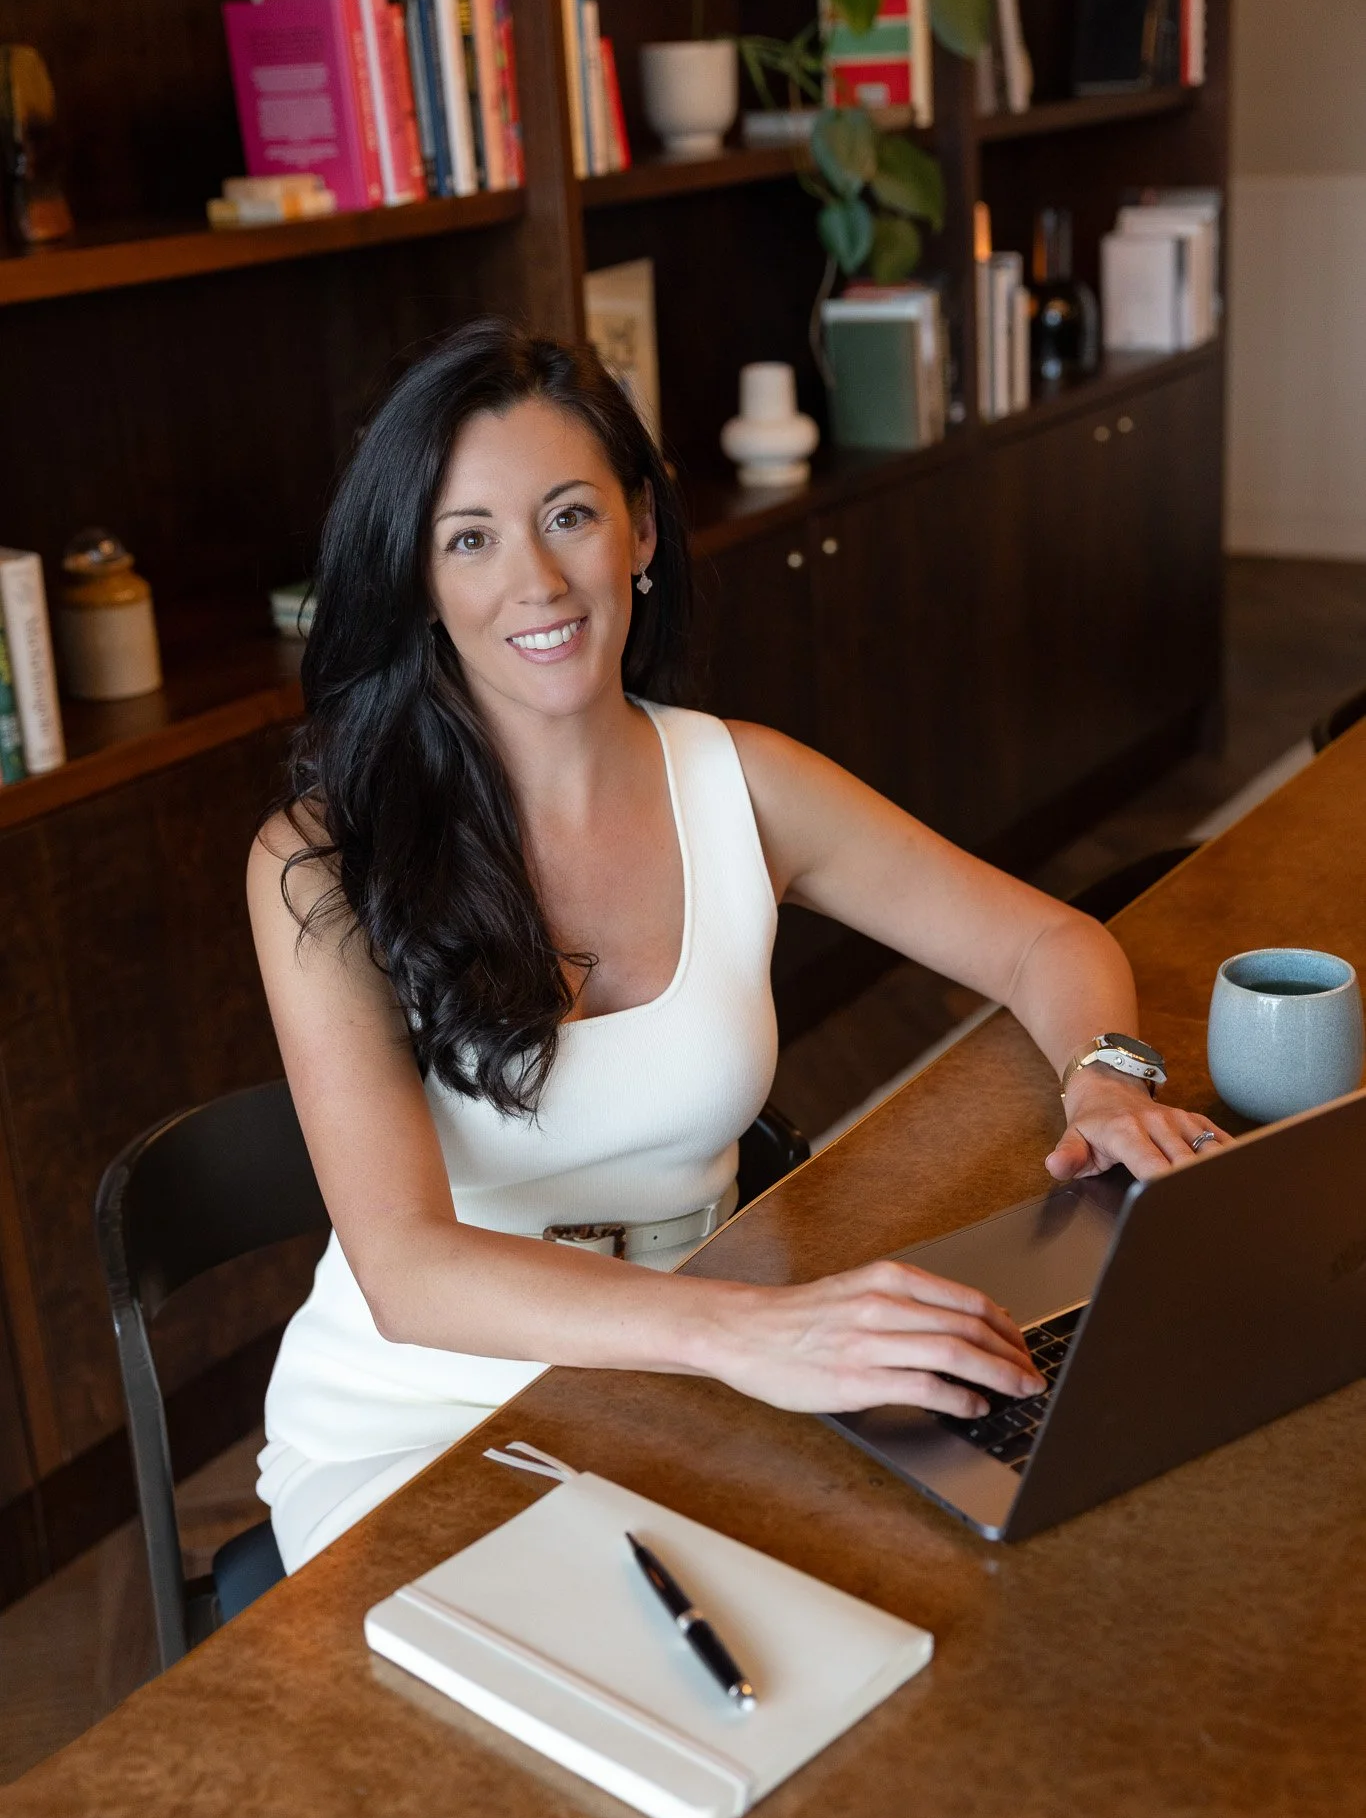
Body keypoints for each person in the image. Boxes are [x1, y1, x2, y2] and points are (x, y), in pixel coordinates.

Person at [248, 318, 1227, 1572]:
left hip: (686, 1368)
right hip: (422, 1416)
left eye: (568, 515)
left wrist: (1106, 1072)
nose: (536, 583)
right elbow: (408, 1270)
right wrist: (751, 1334)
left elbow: (1044, 938)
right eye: (470, 538)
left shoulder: (743, 784)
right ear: (420, 581)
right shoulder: (320, 856)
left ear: (641, 529)